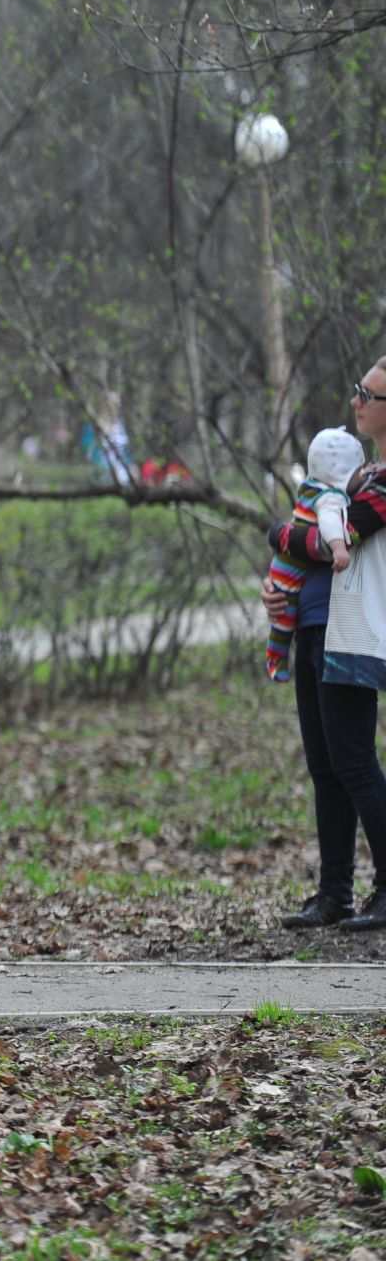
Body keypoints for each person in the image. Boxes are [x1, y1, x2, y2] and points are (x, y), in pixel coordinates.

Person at [263, 364, 386, 931]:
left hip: (352, 637)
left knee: (356, 762)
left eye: (367, 394)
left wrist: (278, 535)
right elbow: (310, 545)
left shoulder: (381, 485)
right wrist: (278, 589)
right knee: (325, 768)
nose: (356, 401)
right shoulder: (361, 476)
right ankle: (334, 893)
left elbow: (327, 539)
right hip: (315, 627)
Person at [267, 427, 365, 682]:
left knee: (282, 619)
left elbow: (295, 532)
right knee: (282, 620)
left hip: (330, 626)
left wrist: (279, 534)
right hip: (302, 599)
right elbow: (329, 525)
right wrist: (338, 547)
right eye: (358, 470)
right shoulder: (331, 496)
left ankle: (276, 659)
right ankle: (275, 660)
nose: (362, 475)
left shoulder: (310, 487)